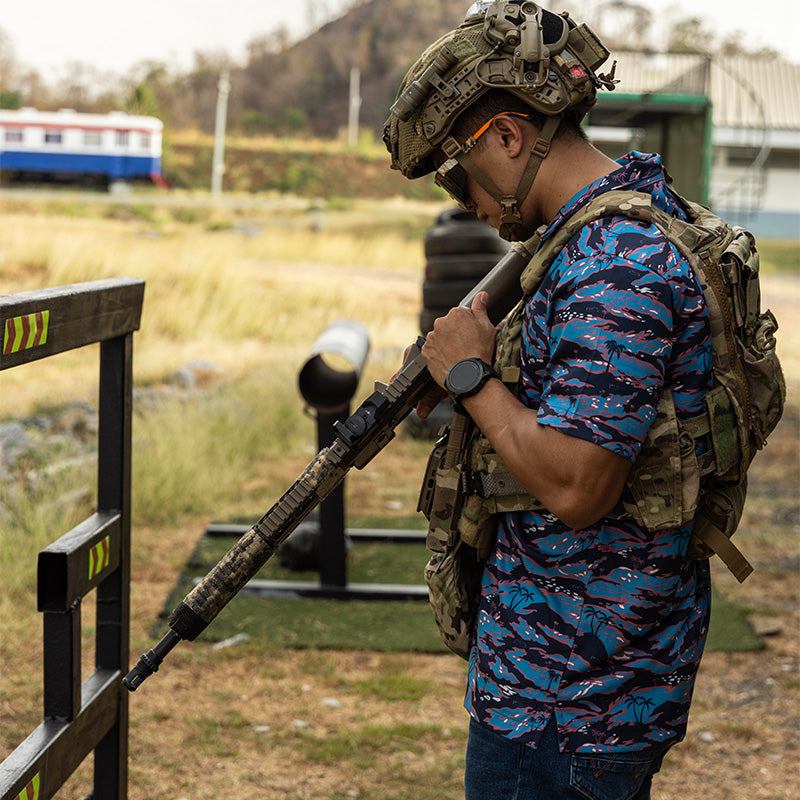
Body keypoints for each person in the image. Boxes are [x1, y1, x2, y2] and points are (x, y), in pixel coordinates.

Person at [384, 2, 714, 798]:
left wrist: (472, 377)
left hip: (567, 705)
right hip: (580, 685)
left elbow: (577, 485)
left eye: (457, 172)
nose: (462, 199)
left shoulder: (614, 261)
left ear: (507, 137)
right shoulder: (608, 230)